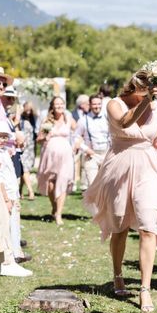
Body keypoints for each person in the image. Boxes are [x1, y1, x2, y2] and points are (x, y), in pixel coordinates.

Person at [83, 70, 157, 313]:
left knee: (148, 225)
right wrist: (146, 100)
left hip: (148, 167)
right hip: (119, 168)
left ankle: (145, 288)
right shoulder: (114, 103)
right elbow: (125, 121)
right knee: (119, 226)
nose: (154, 92)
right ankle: (118, 275)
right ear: (136, 87)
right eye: (148, 88)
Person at [0, 121, 32, 274]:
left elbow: (10, 176)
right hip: (4, 197)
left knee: (14, 227)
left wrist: (15, 197)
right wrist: (5, 199)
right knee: (6, 229)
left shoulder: (3, 151)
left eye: (5, 137)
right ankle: (5, 263)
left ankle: (11, 258)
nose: (2, 140)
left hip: (12, 195)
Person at [36, 96, 76, 225]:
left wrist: (77, 144)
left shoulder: (68, 119)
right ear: (52, 107)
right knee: (51, 184)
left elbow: (79, 132)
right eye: (57, 104)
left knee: (63, 182)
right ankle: (54, 206)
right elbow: (38, 140)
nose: (59, 106)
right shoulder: (47, 121)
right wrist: (44, 137)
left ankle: (59, 214)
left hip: (65, 156)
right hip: (50, 156)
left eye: (61, 104)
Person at [75, 94, 110, 188]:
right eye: (94, 104)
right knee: (94, 185)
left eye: (99, 104)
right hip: (91, 155)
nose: (97, 106)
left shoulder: (108, 118)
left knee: (107, 186)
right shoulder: (83, 120)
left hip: (106, 154)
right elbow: (76, 137)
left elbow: (112, 135)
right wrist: (86, 149)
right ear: (89, 105)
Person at [19, 102, 37, 200]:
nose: (28, 111)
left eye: (30, 110)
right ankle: (31, 192)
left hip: (30, 148)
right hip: (22, 147)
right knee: (25, 170)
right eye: (27, 109)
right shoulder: (20, 119)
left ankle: (20, 190)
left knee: (25, 170)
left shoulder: (32, 120)